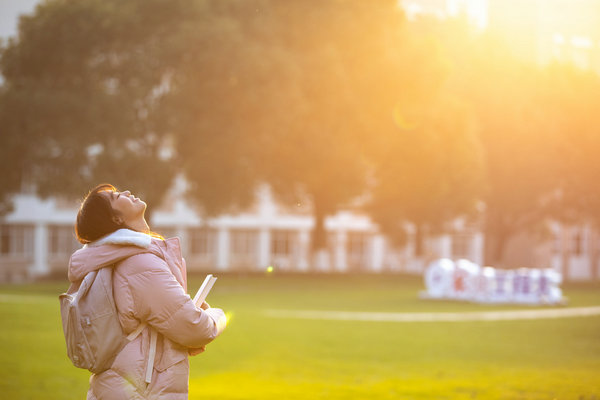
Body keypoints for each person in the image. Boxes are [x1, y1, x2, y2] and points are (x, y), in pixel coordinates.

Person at [68, 183, 227, 399]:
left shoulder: (120, 258)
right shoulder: (139, 264)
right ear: (116, 219)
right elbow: (195, 328)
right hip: (142, 391)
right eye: (116, 197)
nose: (125, 192)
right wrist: (217, 316)